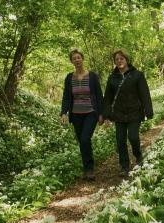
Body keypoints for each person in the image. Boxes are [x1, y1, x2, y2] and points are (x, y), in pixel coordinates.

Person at [103, 49, 153, 177]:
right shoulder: (112, 78)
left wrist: (148, 111)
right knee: (120, 140)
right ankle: (124, 166)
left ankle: (138, 156)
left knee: (133, 137)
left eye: (121, 58)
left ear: (126, 59)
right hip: (118, 114)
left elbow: (144, 94)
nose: (119, 61)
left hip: (134, 112)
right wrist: (107, 115)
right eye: (117, 59)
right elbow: (107, 98)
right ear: (114, 62)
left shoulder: (137, 75)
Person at [60, 49, 104, 180]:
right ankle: (86, 168)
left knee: (85, 139)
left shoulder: (92, 76)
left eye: (79, 57)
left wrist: (101, 113)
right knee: (82, 142)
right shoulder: (69, 78)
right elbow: (66, 97)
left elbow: (99, 95)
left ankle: (89, 169)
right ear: (71, 61)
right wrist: (63, 113)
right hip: (76, 114)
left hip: (91, 112)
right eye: (74, 58)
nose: (77, 60)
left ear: (82, 59)